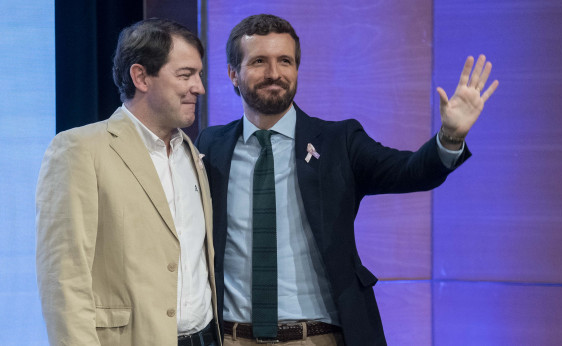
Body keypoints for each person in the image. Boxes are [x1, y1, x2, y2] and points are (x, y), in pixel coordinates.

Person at [195, 14, 498, 346]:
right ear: (232, 74)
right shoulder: (211, 146)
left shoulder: (339, 141)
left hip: (318, 338)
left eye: (285, 61)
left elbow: (411, 170)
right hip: (231, 337)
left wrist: (449, 138)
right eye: (258, 61)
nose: (274, 73)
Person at [36, 18, 221, 346]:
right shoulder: (80, 150)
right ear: (141, 76)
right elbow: (64, 281)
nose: (199, 87)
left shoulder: (191, 154)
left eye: (199, 75)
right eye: (185, 75)